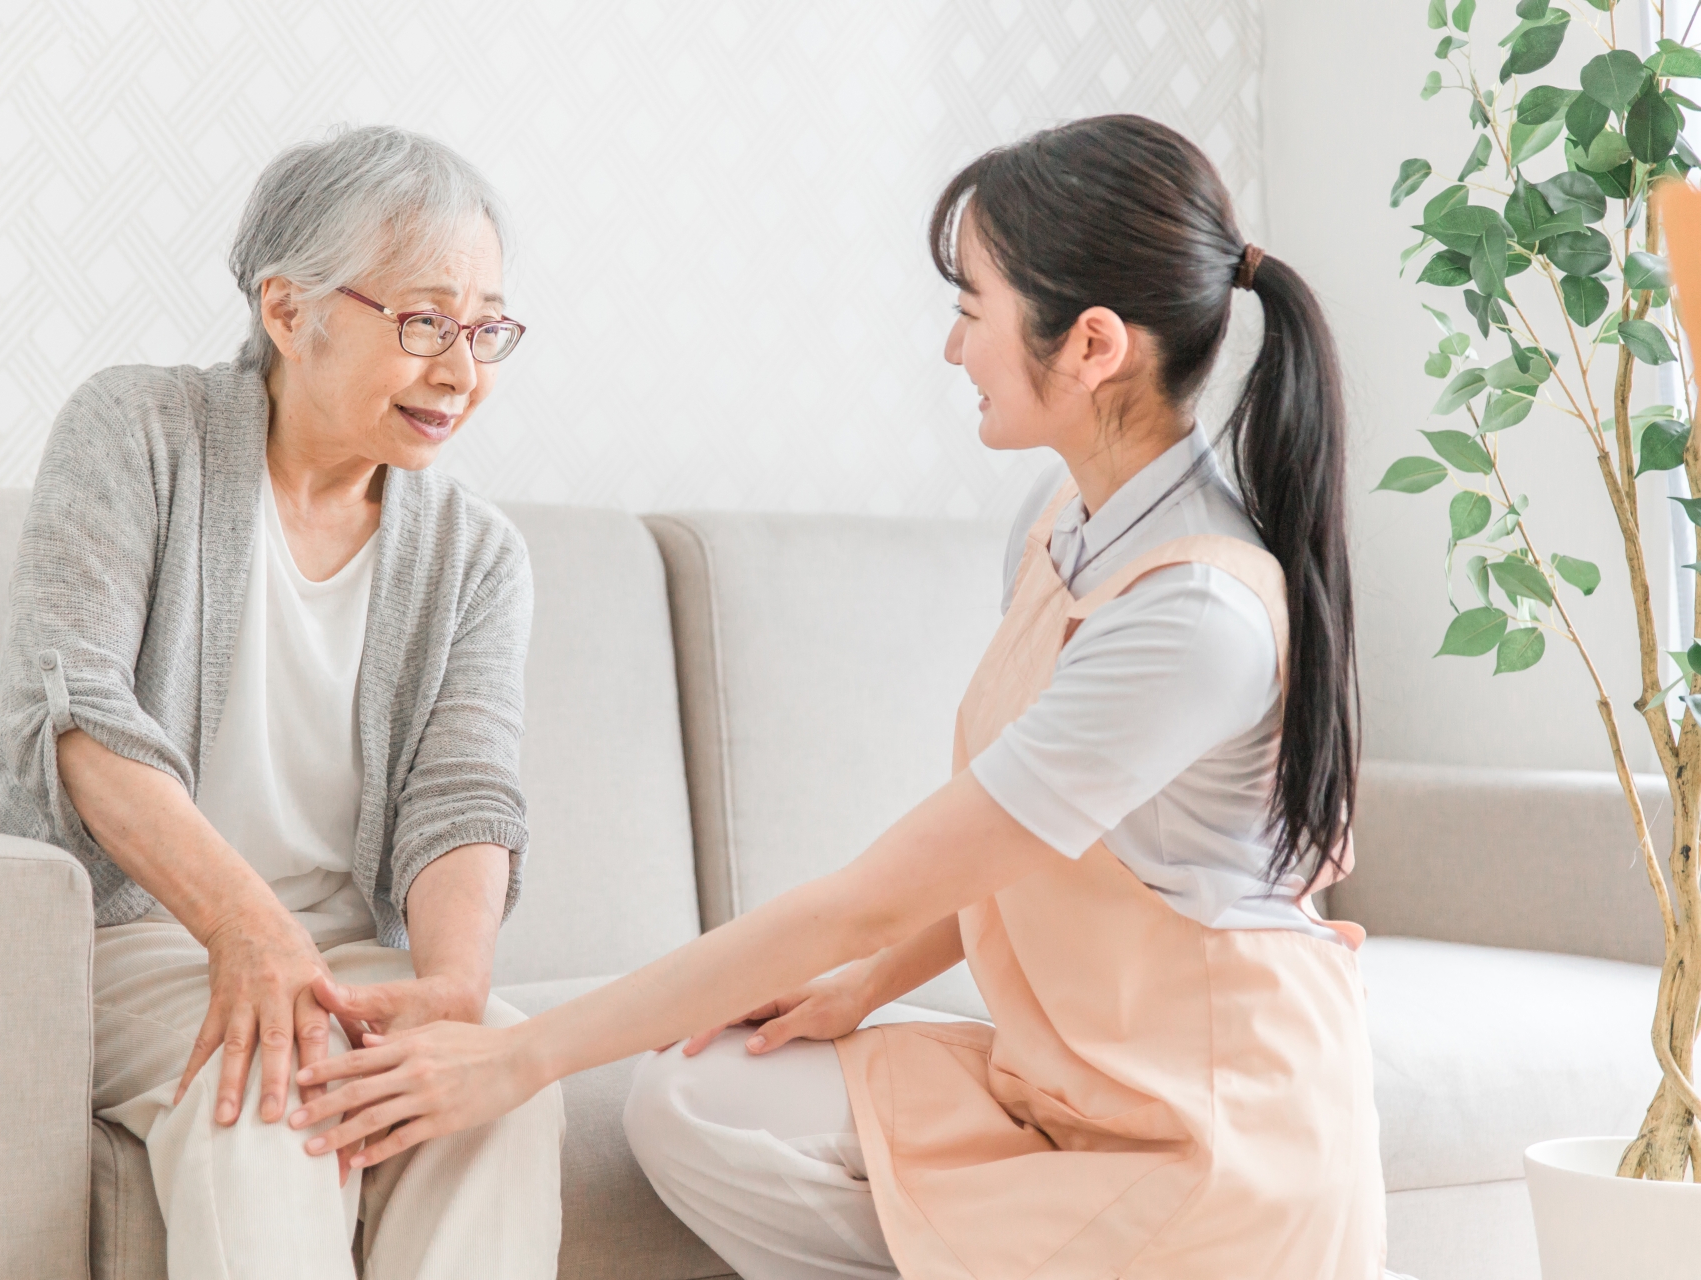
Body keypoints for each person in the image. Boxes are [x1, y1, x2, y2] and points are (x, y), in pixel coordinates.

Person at [284, 114, 1388, 1278]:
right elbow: (1007, 847)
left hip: (1209, 1148)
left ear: (1093, 345)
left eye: (972, 308)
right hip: (1067, 1077)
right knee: (697, 1096)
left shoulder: (1191, 619)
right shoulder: (1064, 521)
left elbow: (863, 896)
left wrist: (521, 1057)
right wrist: (861, 988)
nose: (954, 348)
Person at [0, 125, 563, 1280]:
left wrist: (451, 993)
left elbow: (464, 793)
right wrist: (251, 932)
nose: (461, 370)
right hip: (133, 931)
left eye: (485, 328)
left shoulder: (478, 554)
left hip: (343, 954)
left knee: (498, 1077)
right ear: (289, 311)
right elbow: (79, 717)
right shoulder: (137, 432)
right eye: (426, 321)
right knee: (271, 1084)